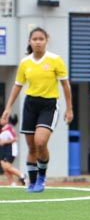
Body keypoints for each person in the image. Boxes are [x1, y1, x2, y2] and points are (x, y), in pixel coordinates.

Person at [1, 27, 73, 193]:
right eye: (35, 39)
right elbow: (17, 85)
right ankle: (32, 183)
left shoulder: (55, 60)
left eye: (41, 39)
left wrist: (69, 109)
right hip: (30, 105)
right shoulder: (25, 63)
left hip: (49, 105)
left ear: (46, 40)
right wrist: (8, 107)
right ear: (30, 41)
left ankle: (42, 177)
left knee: (41, 142)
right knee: (32, 146)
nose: (38, 42)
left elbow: (65, 85)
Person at [0, 114, 25, 186]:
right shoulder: (3, 129)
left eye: (3, 119)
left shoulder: (9, 128)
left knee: (6, 166)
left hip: (11, 150)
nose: (1, 120)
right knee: (3, 166)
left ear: (7, 121)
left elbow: (15, 138)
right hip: (4, 149)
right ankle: (12, 183)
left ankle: (22, 175)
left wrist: (4, 142)